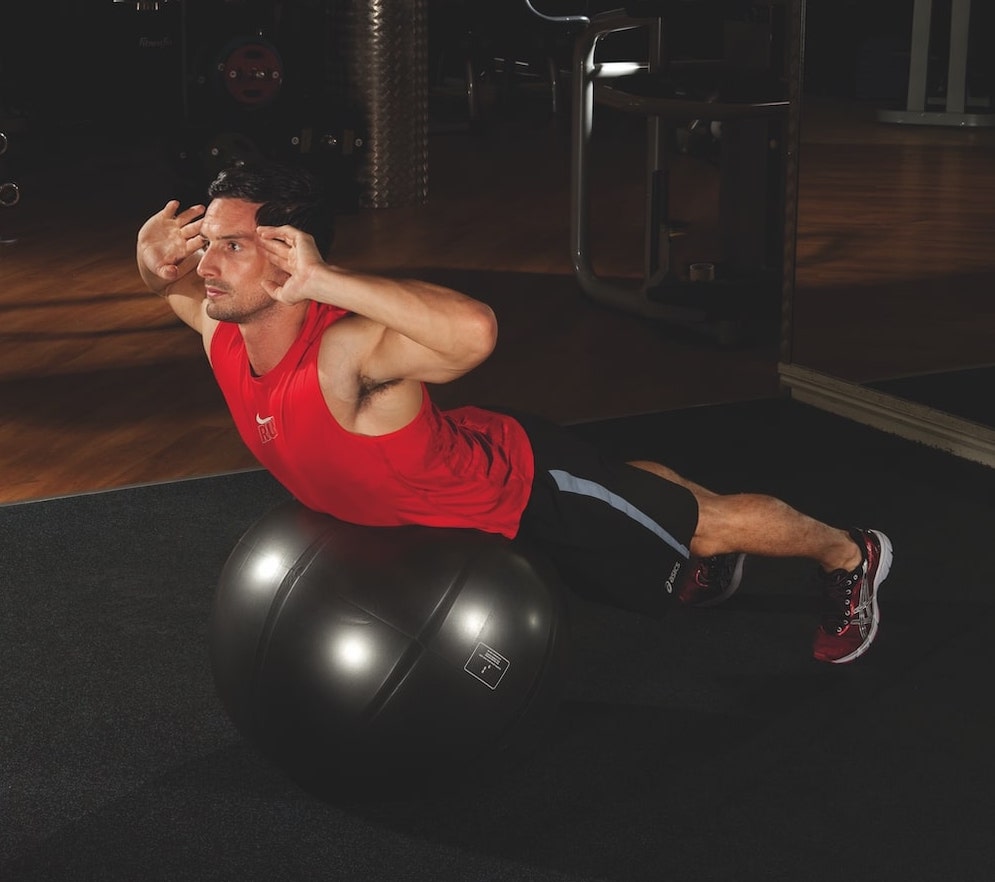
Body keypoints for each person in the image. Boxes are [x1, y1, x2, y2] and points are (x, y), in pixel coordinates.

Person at [136, 161, 892, 665]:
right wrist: (147, 261)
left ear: (286, 255)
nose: (205, 265)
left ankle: (848, 555)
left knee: (708, 523)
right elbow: (166, 286)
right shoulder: (221, 334)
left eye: (230, 247)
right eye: (205, 244)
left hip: (521, 494)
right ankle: (656, 504)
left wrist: (328, 281)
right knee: (648, 500)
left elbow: (475, 332)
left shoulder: (349, 356)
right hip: (451, 508)